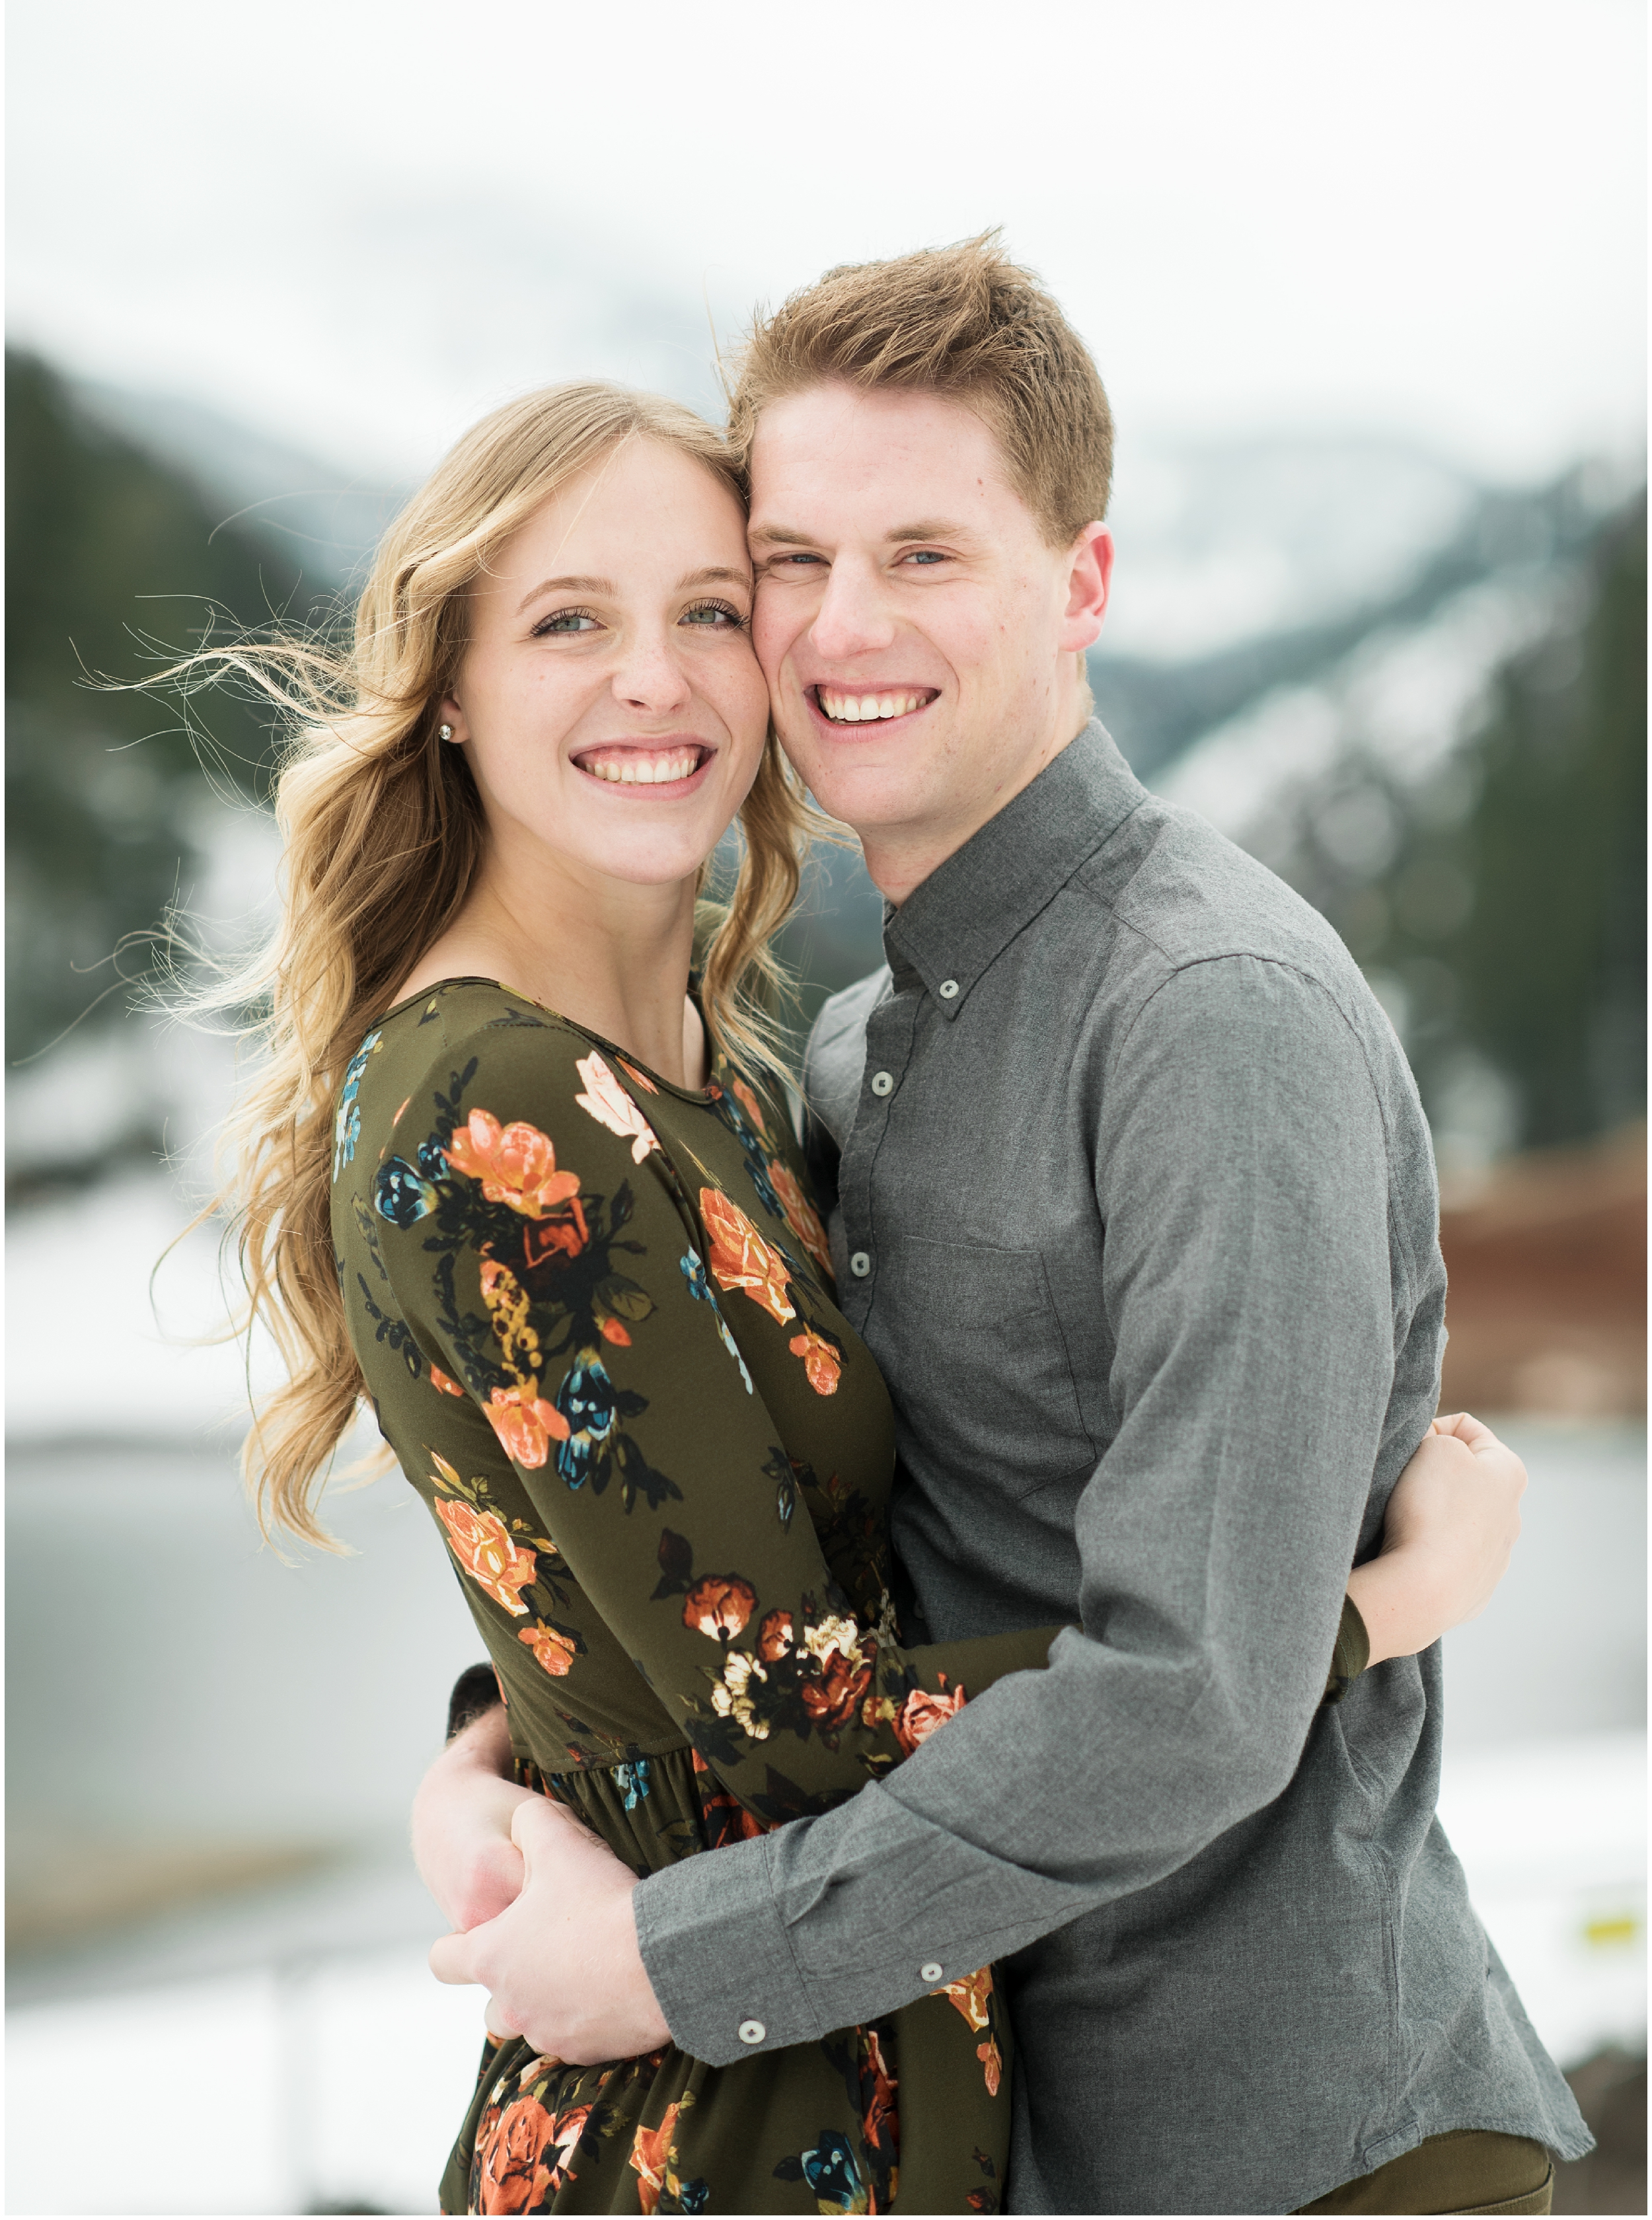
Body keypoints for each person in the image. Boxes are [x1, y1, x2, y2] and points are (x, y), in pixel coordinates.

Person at [209, 369, 1518, 2217]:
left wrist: (496, 1751)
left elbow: (692, 1580)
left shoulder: (751, 1084)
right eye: (569, 620)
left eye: (708, 609)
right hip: (708, 2121)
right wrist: (1380, 1598)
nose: (655, 676)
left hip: (943, 2070)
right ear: (447, 686)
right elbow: (785, 1692)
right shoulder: (495, 1100)